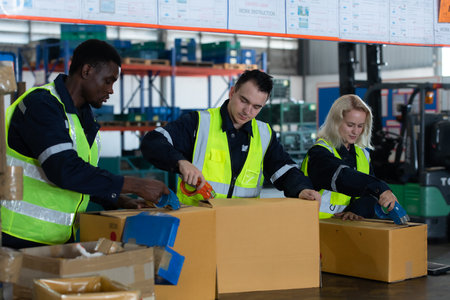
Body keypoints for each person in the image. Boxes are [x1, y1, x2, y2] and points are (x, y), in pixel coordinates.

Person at [2, 39, 170, 249]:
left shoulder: (84, 118)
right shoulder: (41, 105)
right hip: (16, 236)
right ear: (87, 71)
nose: (111, 90)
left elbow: (83, 175)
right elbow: (63, 169)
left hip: (58, 238)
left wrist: (117, 200)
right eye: (108, 81)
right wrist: (137, 185)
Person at [140, 69, 320, 205]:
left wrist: (301, 189)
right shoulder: (198, 123)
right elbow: (153, 142)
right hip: (199, 221)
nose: (248, 111)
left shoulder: (264, 134)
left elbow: (283, 169)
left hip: (241, 224)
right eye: (244, 101)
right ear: (232, 92)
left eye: (256, 107)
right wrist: (181, 162)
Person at [301, 94, 397, 220]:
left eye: (360, 126)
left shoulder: (362, 154)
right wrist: (379, 187)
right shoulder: (319, 153)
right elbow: (341, 177)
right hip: (316, 226)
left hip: (346, 227)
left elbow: (369, 196)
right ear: (336, 122)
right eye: (350, 125)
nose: (355, 131)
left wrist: (356, 211)